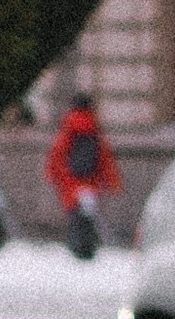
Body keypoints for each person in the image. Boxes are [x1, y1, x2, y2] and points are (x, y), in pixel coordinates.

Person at [45, 87, 121, 256]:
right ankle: (88, 249)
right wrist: (112, 181)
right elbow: (104, 157)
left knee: (75, 217)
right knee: (89, 218)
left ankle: (76, 249)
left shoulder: (67, 127)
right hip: (90, 182)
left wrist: (51, 174)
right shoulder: (94, 128)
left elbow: (57, 153)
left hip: (70, 182)